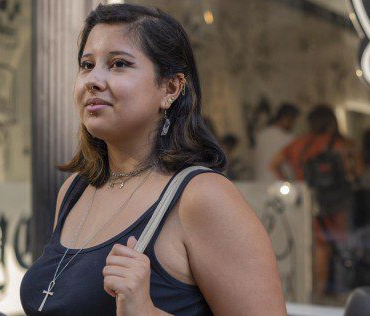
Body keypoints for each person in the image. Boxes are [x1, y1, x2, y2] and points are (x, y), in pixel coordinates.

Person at [20, 4, 286, 315]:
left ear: (170, 88)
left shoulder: (202, 197)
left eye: (119, 64)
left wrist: (146, 310)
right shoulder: (75, 190)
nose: (93, 80)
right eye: (86, 65)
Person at [271, 105, 362, 296]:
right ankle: (337, 294)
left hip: (307, 202)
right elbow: (358, 172)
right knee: (340, 248)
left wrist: (293, 184)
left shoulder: (299, 144)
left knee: (312, 246)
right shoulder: (343, 144)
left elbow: (274, 164)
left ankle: (312, 293)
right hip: (337, 203)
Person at [253, 102, 300, 181]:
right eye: (293, 121)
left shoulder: (261, 135)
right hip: (281, 185)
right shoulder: (289, 138)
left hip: (260, 182)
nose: (293, 124)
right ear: (286, 118)